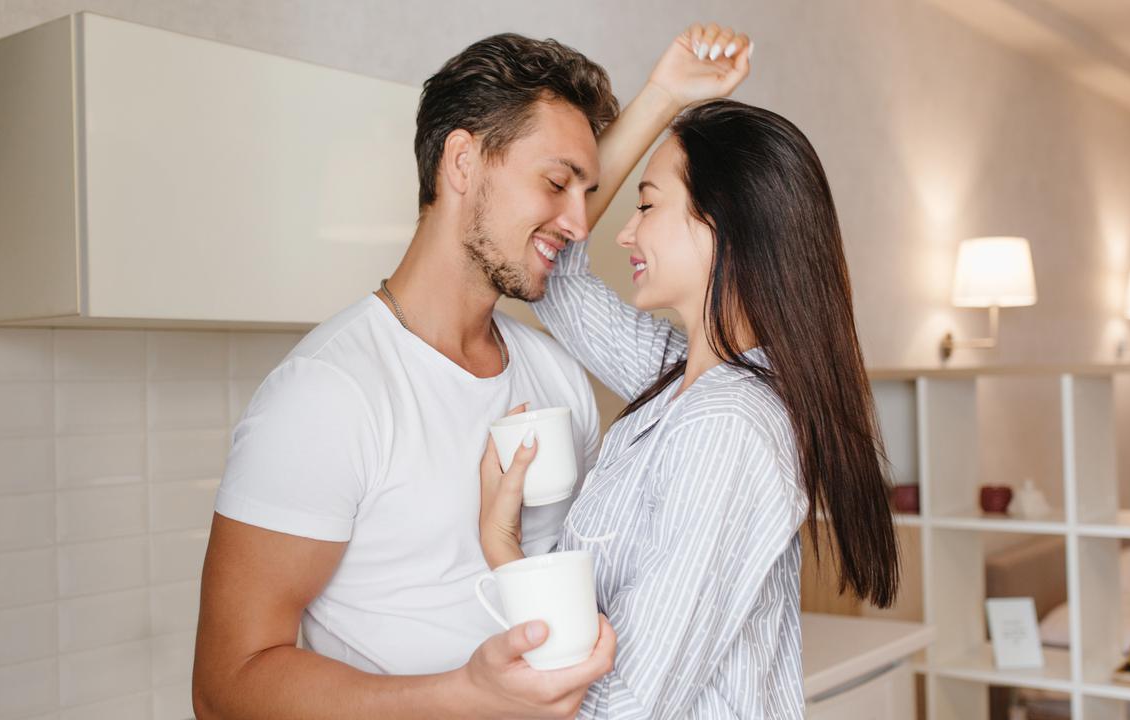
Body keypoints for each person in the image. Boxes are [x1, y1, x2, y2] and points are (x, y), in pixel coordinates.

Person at [193, 24, 752, 720]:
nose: (580, 223)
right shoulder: (327, 395)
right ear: (462, 161)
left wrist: (664, 93)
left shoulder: (556, 378)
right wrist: (465, 696)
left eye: (585, 191)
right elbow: (224, 687)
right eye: (556, 182)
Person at [477, 99, 901, 717]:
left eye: (647, 206)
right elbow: (558, 273)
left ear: (721, 223)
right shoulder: (684, 376)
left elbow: (625, 707)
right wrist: (663, 94)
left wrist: (503, 547)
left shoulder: (726, 426)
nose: (625, 231)